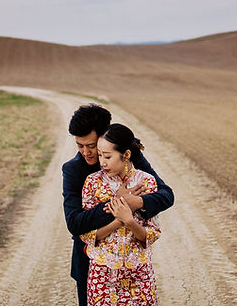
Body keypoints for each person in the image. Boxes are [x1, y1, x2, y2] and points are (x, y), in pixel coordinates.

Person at [62, 104, 174, 306]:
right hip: (90, 265)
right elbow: (75, 223)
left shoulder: (127, 155)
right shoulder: (73, 170)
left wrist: (137, 202)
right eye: (80, 145)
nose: (86, 152)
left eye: (91, 146)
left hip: (133, 270)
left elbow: (166, 195)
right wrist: (117, 202)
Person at [81, 123, 160, 305]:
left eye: (107, 156)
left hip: (139, 274)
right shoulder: (92, 183)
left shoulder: (147, 182)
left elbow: (151, 235)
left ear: (126, 155)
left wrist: (130, 222)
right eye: (100, 155)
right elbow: (87, 234)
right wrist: (119, 219)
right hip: (102, 275)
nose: (102, 162)